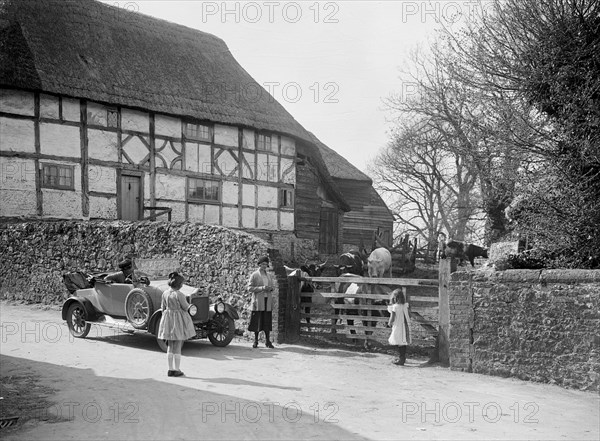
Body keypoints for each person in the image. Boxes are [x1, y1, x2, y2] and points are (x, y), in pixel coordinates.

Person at [157, 272, 196, 377]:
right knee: (178, 344)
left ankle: (170, 369)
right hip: (177, 320)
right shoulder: (180, 294)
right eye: (181, 283)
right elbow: (185, 307)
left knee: (170, 344)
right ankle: (177, 369)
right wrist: (191, 307)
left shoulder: (165, 293)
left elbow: (163, 308)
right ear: (179, 284)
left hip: (168, 319)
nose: (182, 285)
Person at [247, 256, 275, 348]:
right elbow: (249, 288)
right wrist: (261, 288)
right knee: (258, 321)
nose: (264, 266)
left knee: (267, 321)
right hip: (258, 301)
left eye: (266, 264)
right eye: (262, 264)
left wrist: (271, 289)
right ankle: (255, 341)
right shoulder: (255, 275)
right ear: (259, 264)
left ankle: (268, 341)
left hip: (267, 300)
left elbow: (272, 286)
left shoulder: (269, 275)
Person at [386, 288, 411, 366]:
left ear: (395, 297)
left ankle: (401, 359)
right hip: (405, 325)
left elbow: (392, 317)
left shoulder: (395, 307)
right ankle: (402, 358)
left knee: (398, 340)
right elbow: (409, 314)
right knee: (403, 341)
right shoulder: (406, 305)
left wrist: (389, 323)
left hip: (398, 325)